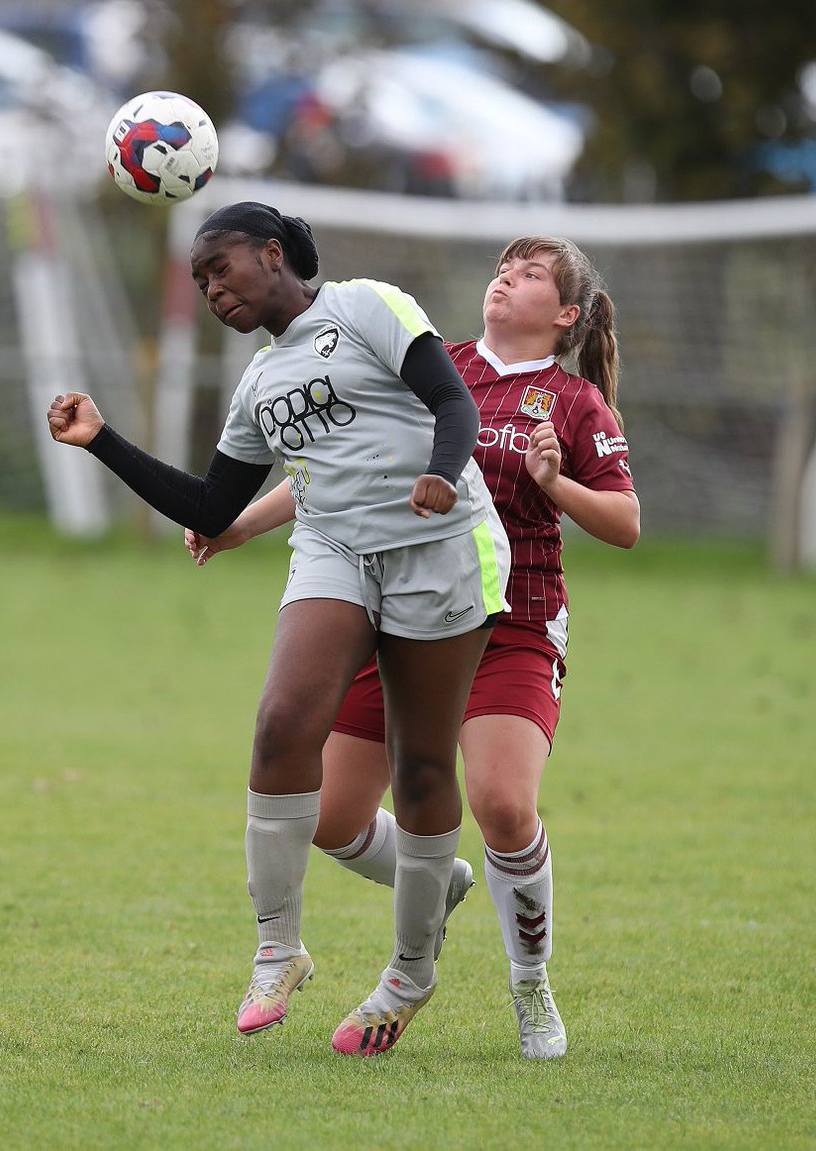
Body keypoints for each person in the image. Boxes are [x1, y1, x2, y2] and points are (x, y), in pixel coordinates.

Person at [46, 201, 511, 1057]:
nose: (210, 288)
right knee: (279, 725)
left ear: (271, 253)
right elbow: (210, 506)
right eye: (198, 281)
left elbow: (452, 399)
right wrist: (101, 438)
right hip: (334, 546)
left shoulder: (368, 305)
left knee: (417, 766)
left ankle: (411, 969)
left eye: (219, 268)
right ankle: (278, 947)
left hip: (440, 546)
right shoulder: (257, 386)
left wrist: (444, 476)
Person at [186, 235, 639, 1060]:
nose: (506, 279)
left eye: (530, 274)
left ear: (567, 314)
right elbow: (332, 464)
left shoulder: (573, 404)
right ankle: (438, 884)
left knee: (502, 803)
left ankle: (529, 985)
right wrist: (237, 523)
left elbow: (626, 524)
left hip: (511, 626)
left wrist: (555, 484)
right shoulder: (438, 358)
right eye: (503, 268)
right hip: (397, 604)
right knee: (327, 815)